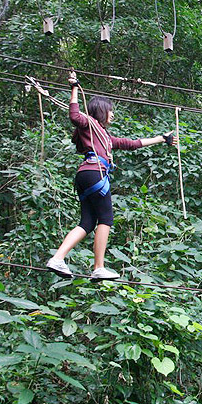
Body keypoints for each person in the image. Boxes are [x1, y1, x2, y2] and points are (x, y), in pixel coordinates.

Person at [46, 72, 177, 281]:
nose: (113, 115)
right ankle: (99, 267)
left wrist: (162, 139)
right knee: (105, 218)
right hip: (94, 173)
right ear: (101, 111)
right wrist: (73, 89)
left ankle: (58, 258)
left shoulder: (103, 135)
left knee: (88, 222)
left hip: (86, 175)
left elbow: (132, 144)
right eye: (111, 111)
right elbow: (74, 116)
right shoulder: (90, 124)